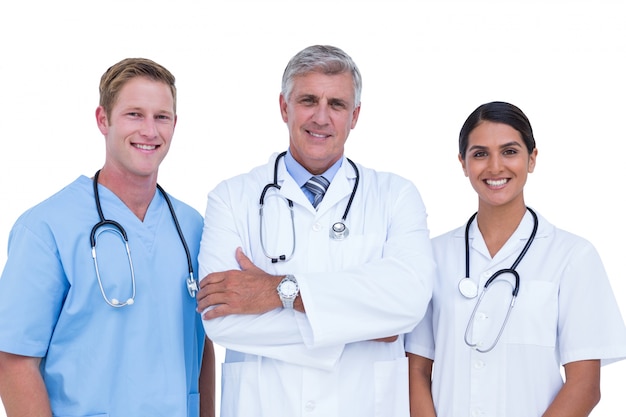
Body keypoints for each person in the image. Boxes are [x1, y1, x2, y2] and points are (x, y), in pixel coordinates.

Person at [195, 45, 436, 417]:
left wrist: (276, 291)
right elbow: (221, 320)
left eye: (337, 104)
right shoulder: (231, 197)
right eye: (308, 100)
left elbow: (407, 304)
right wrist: (364, 322)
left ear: (354, 116)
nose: (321, 117)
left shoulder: (396, 196)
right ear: (284, 107)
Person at [0, 58, 214, 417]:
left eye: (161, 117)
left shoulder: (191, 226)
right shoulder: (46, 227)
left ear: (175, 125)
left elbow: (202, 342)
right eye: (134, 114)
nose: (149, 130)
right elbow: (13, 361)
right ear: (103, 120)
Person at [405, 101, 626, 417]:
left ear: (532, 159)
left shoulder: (573, 256)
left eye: (509, 151)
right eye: (480, 154)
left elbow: (585, 385)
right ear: (463, 163)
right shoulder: (432, 256)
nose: (495, 167)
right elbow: (416, 370)